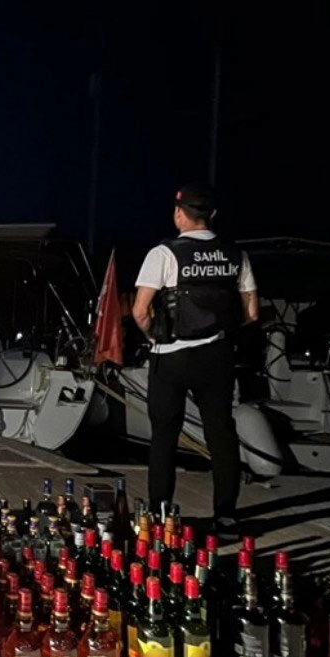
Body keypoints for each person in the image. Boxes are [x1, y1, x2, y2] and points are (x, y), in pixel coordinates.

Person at [131, 184, 258, 530]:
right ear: (212, 215)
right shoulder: (236, 255)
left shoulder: (163, 253)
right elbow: (251, 313)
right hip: (217, 356)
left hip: (171, 356)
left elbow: (140, 310)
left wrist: (153, 335)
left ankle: (160, 517)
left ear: (179, 213)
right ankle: (226, 515)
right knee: (221, 436)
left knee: (164, 438)